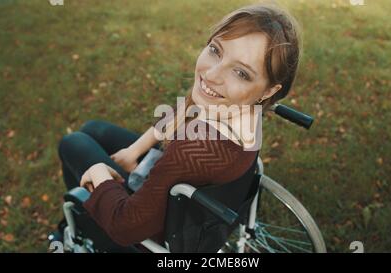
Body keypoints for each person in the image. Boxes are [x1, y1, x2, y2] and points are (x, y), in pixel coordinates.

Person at [57, 3, 301, 247]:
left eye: (241, 73)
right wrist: (135, 150)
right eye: (216, 50)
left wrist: (99, 173)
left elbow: (127, 226)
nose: (213, 74)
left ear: (269, 89)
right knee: (93, 130)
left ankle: (84, 223)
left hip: (155, 232)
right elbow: (187, 107)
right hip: (190, 204)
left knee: (73, 143)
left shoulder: (196, 148)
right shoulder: (247, 109)